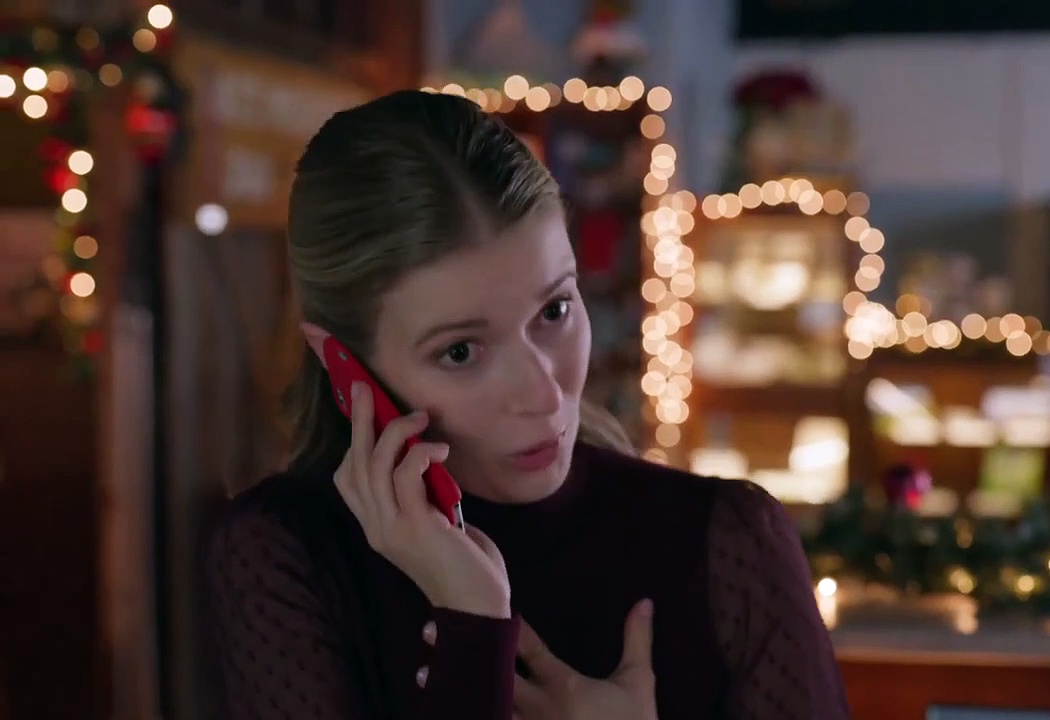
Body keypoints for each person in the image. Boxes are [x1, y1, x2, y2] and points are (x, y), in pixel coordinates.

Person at [206, 89, 852, 720]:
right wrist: (472, 622)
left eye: (554, 310)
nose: (543, 394)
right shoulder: (282, 557)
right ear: (344, 365)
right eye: (461, 351)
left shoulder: (730, 542)